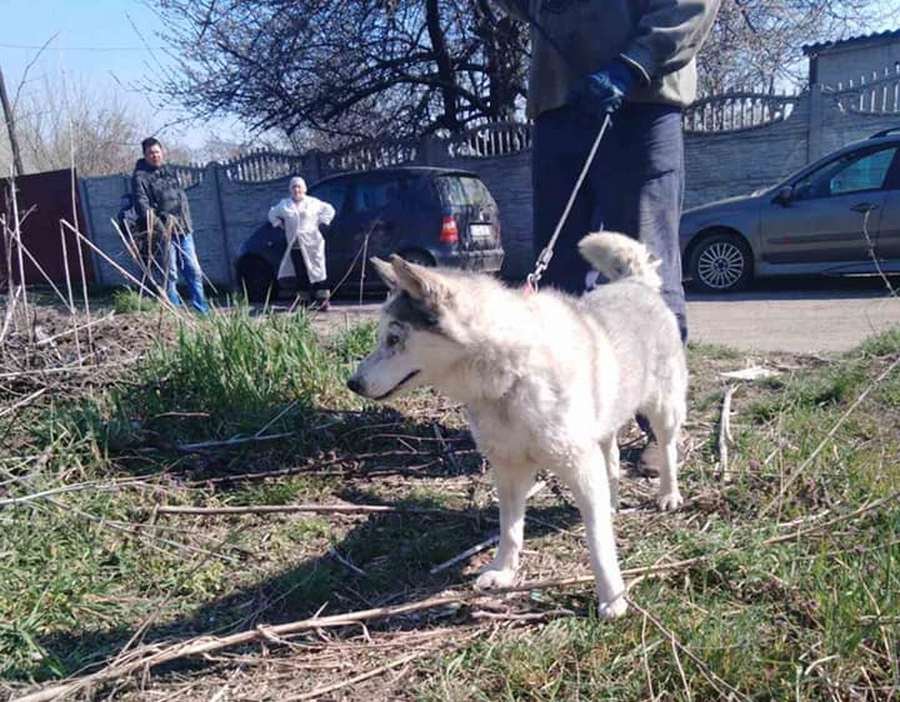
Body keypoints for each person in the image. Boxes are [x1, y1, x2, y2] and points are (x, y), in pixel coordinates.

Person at [497, 0, 721, 342]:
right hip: (557, 101)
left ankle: (658, 388)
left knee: (642, 265)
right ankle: (565, 384)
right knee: (558, 276)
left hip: (640, 101)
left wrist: (634, 64)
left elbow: (690, 6)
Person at [132, 137, 209, 314]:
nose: (155, 156)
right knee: (171, 273)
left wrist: (185, 222)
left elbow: (181, 199)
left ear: (162, 152)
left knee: (194, 270)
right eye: (151, 153)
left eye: (157, 152)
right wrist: (161, 228)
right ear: (144, 155)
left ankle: (201, 310)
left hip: (184, 229)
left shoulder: (170, 171)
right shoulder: (140, 178)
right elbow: (143, 207)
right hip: (163, 233)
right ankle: (174, 313)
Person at [268, 176, 336, 310]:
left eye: (299, 186)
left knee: (317, 270)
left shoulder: (313, 203)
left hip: (313, 243)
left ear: (304, 188)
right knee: (301, 272)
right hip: (295, 244)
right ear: (290, 189)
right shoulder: (285, 205)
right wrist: (280, 224)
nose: (296, 189)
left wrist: (321, 222)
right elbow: (272, 214)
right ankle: (303, 301)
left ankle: (322, 300)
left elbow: (330, 210)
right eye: (294, 187)